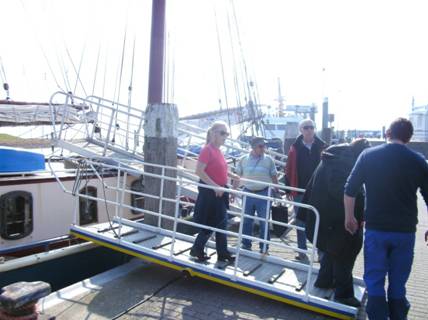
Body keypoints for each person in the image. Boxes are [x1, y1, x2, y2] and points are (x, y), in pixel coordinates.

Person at [344, 118, 428, 319]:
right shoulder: (418, 161)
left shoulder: (368, 156)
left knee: (374, 280)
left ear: (387, 133)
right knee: (398, 283)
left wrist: (350, 217)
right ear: (409, 138)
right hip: (405, 232)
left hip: (376, 230)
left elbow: (349, 189)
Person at [301, 139, 370, 307]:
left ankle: (324, 281)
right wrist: (361, 203)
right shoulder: (343, 162)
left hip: (325, 216)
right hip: (336, 218)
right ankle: (344, 295)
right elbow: (342, 190)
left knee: (332, 250)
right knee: (345, 253)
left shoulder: (334, 157)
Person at [190, 121, 240, 263]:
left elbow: (221, 169)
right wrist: (214, 186)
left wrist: (232, 176)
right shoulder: (207, 150)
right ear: (213, 134)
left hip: (220, 191)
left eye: (227, 133)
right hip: (211, 193)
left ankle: (222, 252)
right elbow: (199, 171)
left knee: (222, 223)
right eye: (223, 133)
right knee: (212, 222)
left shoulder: (218, 151)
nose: (226, 136)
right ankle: (197, 248)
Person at [284, 118, 326, 260]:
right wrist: (288, 189)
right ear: (301, 130)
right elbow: (289, 169)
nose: (309, 130)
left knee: (319, 222)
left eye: (311, 127)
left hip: (318, 191)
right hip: (300, 191)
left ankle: (321, 252)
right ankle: (302, 252)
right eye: (306, 128)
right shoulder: (294, 148)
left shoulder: (323, 147)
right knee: (300, 222)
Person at [235, 136, 279, 253]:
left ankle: (264, 247)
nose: (263, 148)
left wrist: (277, 191)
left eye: (264, 146)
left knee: (264, 222)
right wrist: (233, 192)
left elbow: (274, 176)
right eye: (261, 146)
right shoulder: (243, 159)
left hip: (264, 193)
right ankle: (246, 244)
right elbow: (237, 177)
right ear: (253, 147)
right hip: (248, 193)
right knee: (246, 220)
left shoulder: (269, 160)